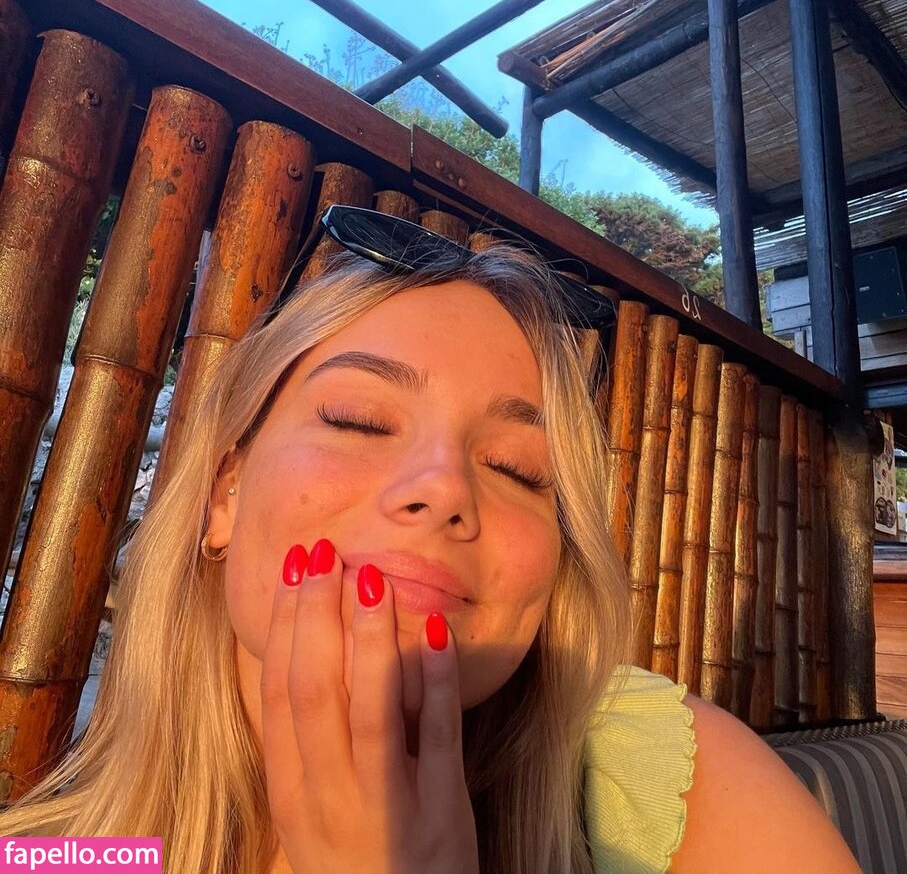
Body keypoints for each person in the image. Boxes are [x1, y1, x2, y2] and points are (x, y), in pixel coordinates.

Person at [0, 207, 860, 873]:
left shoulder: (675, 783)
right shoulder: (60, 855)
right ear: (225, 492)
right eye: (359, 420)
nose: (444, 488)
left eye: (518, 469)